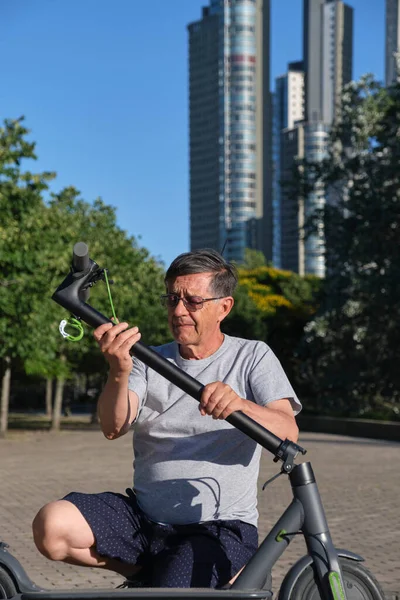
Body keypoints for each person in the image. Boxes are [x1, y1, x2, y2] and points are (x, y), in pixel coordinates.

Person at [32, 249, 301, 589]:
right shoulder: (148, 358)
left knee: (173, 589)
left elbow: (288, 430)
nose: (178, 311)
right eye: (172, 299)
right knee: (52, 526)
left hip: (217, 527)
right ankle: (151, 573)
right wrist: (119, 369)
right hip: (145, 522)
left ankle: (204, 575)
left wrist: (240, 405)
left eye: (193, 301)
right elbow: (113, 427)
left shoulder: (252, 356)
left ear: (224, 307)